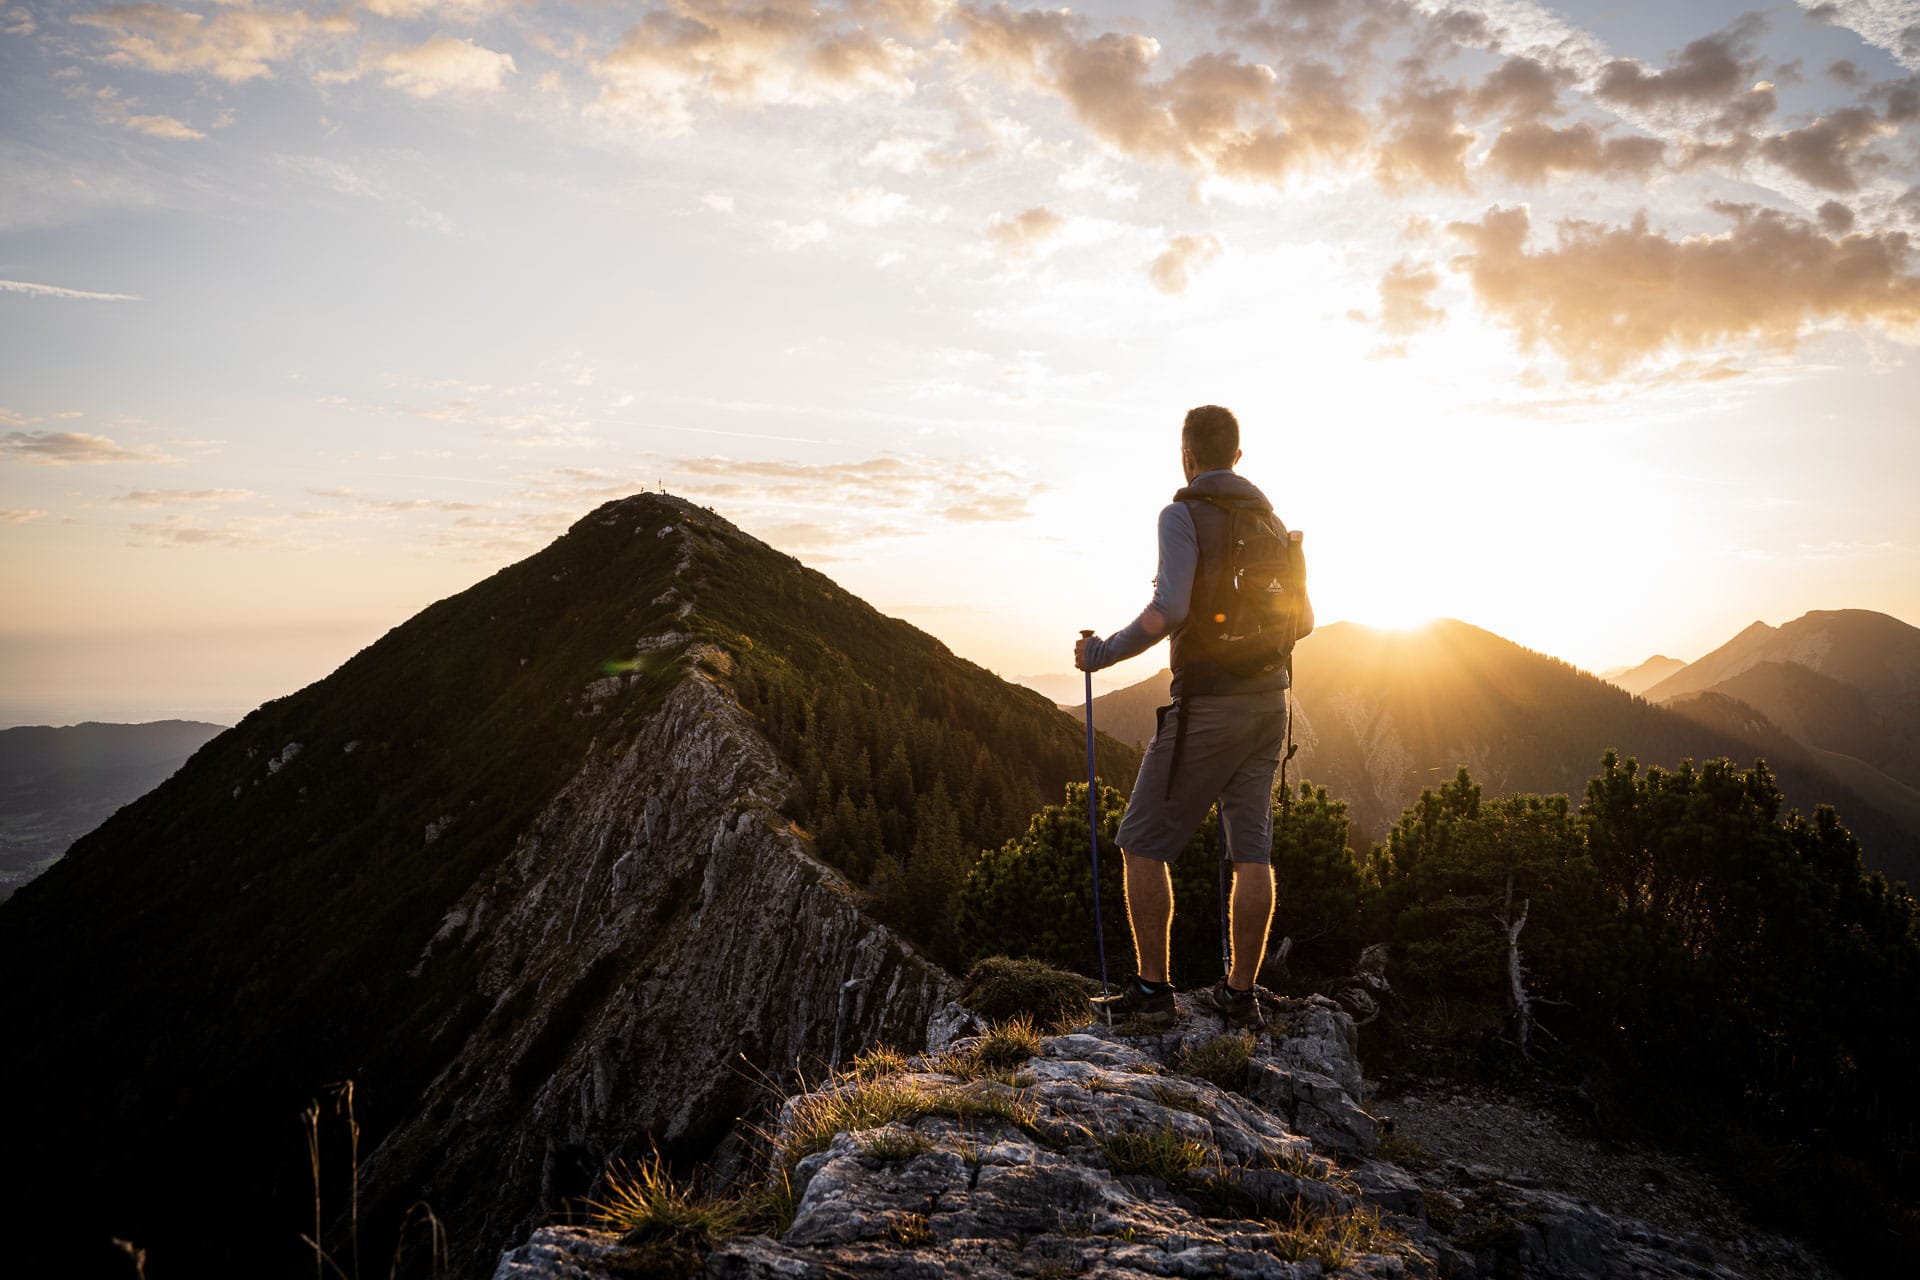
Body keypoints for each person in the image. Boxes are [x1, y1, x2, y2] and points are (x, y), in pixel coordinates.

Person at [1073, 404, 1310, 1029]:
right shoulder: (1272, 521)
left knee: (1142, 843)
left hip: (1208, 705)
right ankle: (1240, 995)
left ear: (1186, 456)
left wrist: (1102, 654)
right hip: (1272, 705)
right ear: (1237, 455)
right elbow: (1303, 622)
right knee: (1251, 848)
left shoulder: (1181, 514)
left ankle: (1153, 994)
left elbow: (1169, 608)